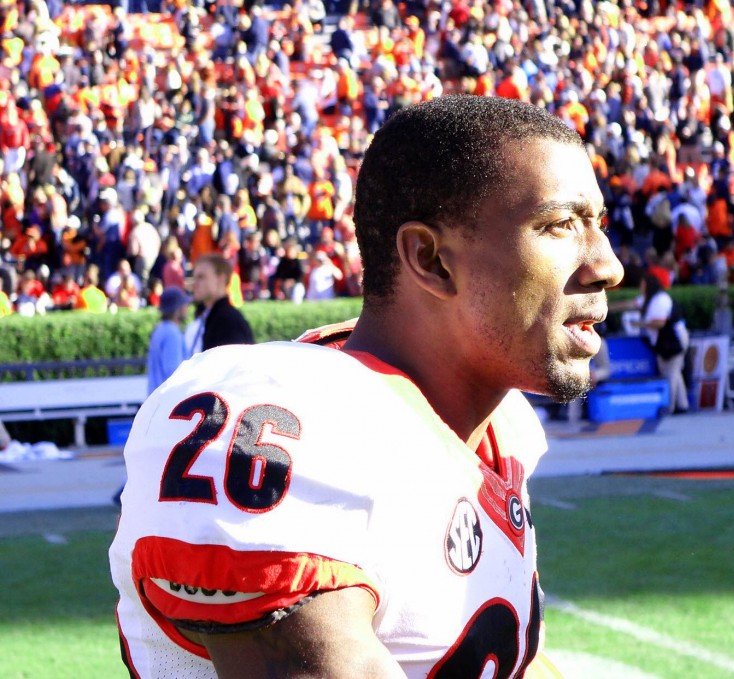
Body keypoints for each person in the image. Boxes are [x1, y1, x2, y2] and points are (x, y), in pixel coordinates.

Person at [109, 96, 624, 678]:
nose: (607, 265)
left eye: (597, 224)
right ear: (430, 259)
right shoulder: (287, 420)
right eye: (559, 225)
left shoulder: (502, 429)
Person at [633, 273, 690, 415]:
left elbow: (659, 323)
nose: (640, 287)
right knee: (674, 372)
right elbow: (631, 303)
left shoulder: (661, 299)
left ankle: (669, 407)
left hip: (674, 339)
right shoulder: (649, 299)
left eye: (642, 284)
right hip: (666, 340)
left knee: (670, 374)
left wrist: (639, 324)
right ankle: (682, 405)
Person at [187, 253, 255, 355]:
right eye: (195, 277)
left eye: (201, 277)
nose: (195, 283)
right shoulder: (209, 317)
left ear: (220, 278)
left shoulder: (228, 320)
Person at [146, 286, 192, 395]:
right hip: (168, 401)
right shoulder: (172, 333)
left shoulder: (160, 329)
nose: (187, 308)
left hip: (156, 399)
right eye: (184, 304)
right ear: (177, 309)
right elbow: (174, 372)